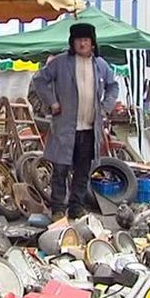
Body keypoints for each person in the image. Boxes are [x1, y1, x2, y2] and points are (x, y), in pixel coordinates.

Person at [33, 23, 119, 221]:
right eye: (78, 40)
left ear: (92, 43)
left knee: (82, 170)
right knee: (60, 169)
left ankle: (76, 207)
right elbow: (39, 79)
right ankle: (57, 209)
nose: (82, 43)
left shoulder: (101, 65)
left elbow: (113, 87)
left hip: (90, 128)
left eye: (86, 40)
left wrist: (106, 107)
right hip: (65, 127)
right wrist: (52, 102)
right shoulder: (60, 62)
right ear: (72, 42)